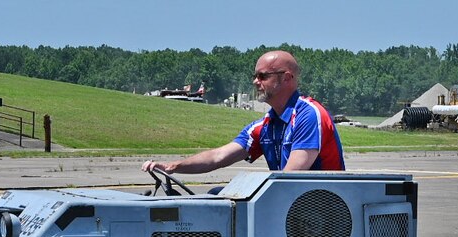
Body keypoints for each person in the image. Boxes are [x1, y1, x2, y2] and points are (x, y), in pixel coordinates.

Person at [143, 50, 345, 177]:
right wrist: (173, 166)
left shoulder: (308, 115)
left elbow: (291, 177)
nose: (255, 81)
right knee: (216, 195)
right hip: (291, 206)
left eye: (263, 76)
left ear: (287, 78)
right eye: (255, 76)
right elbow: (217, 157)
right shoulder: (265, 126)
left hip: (321, 214)